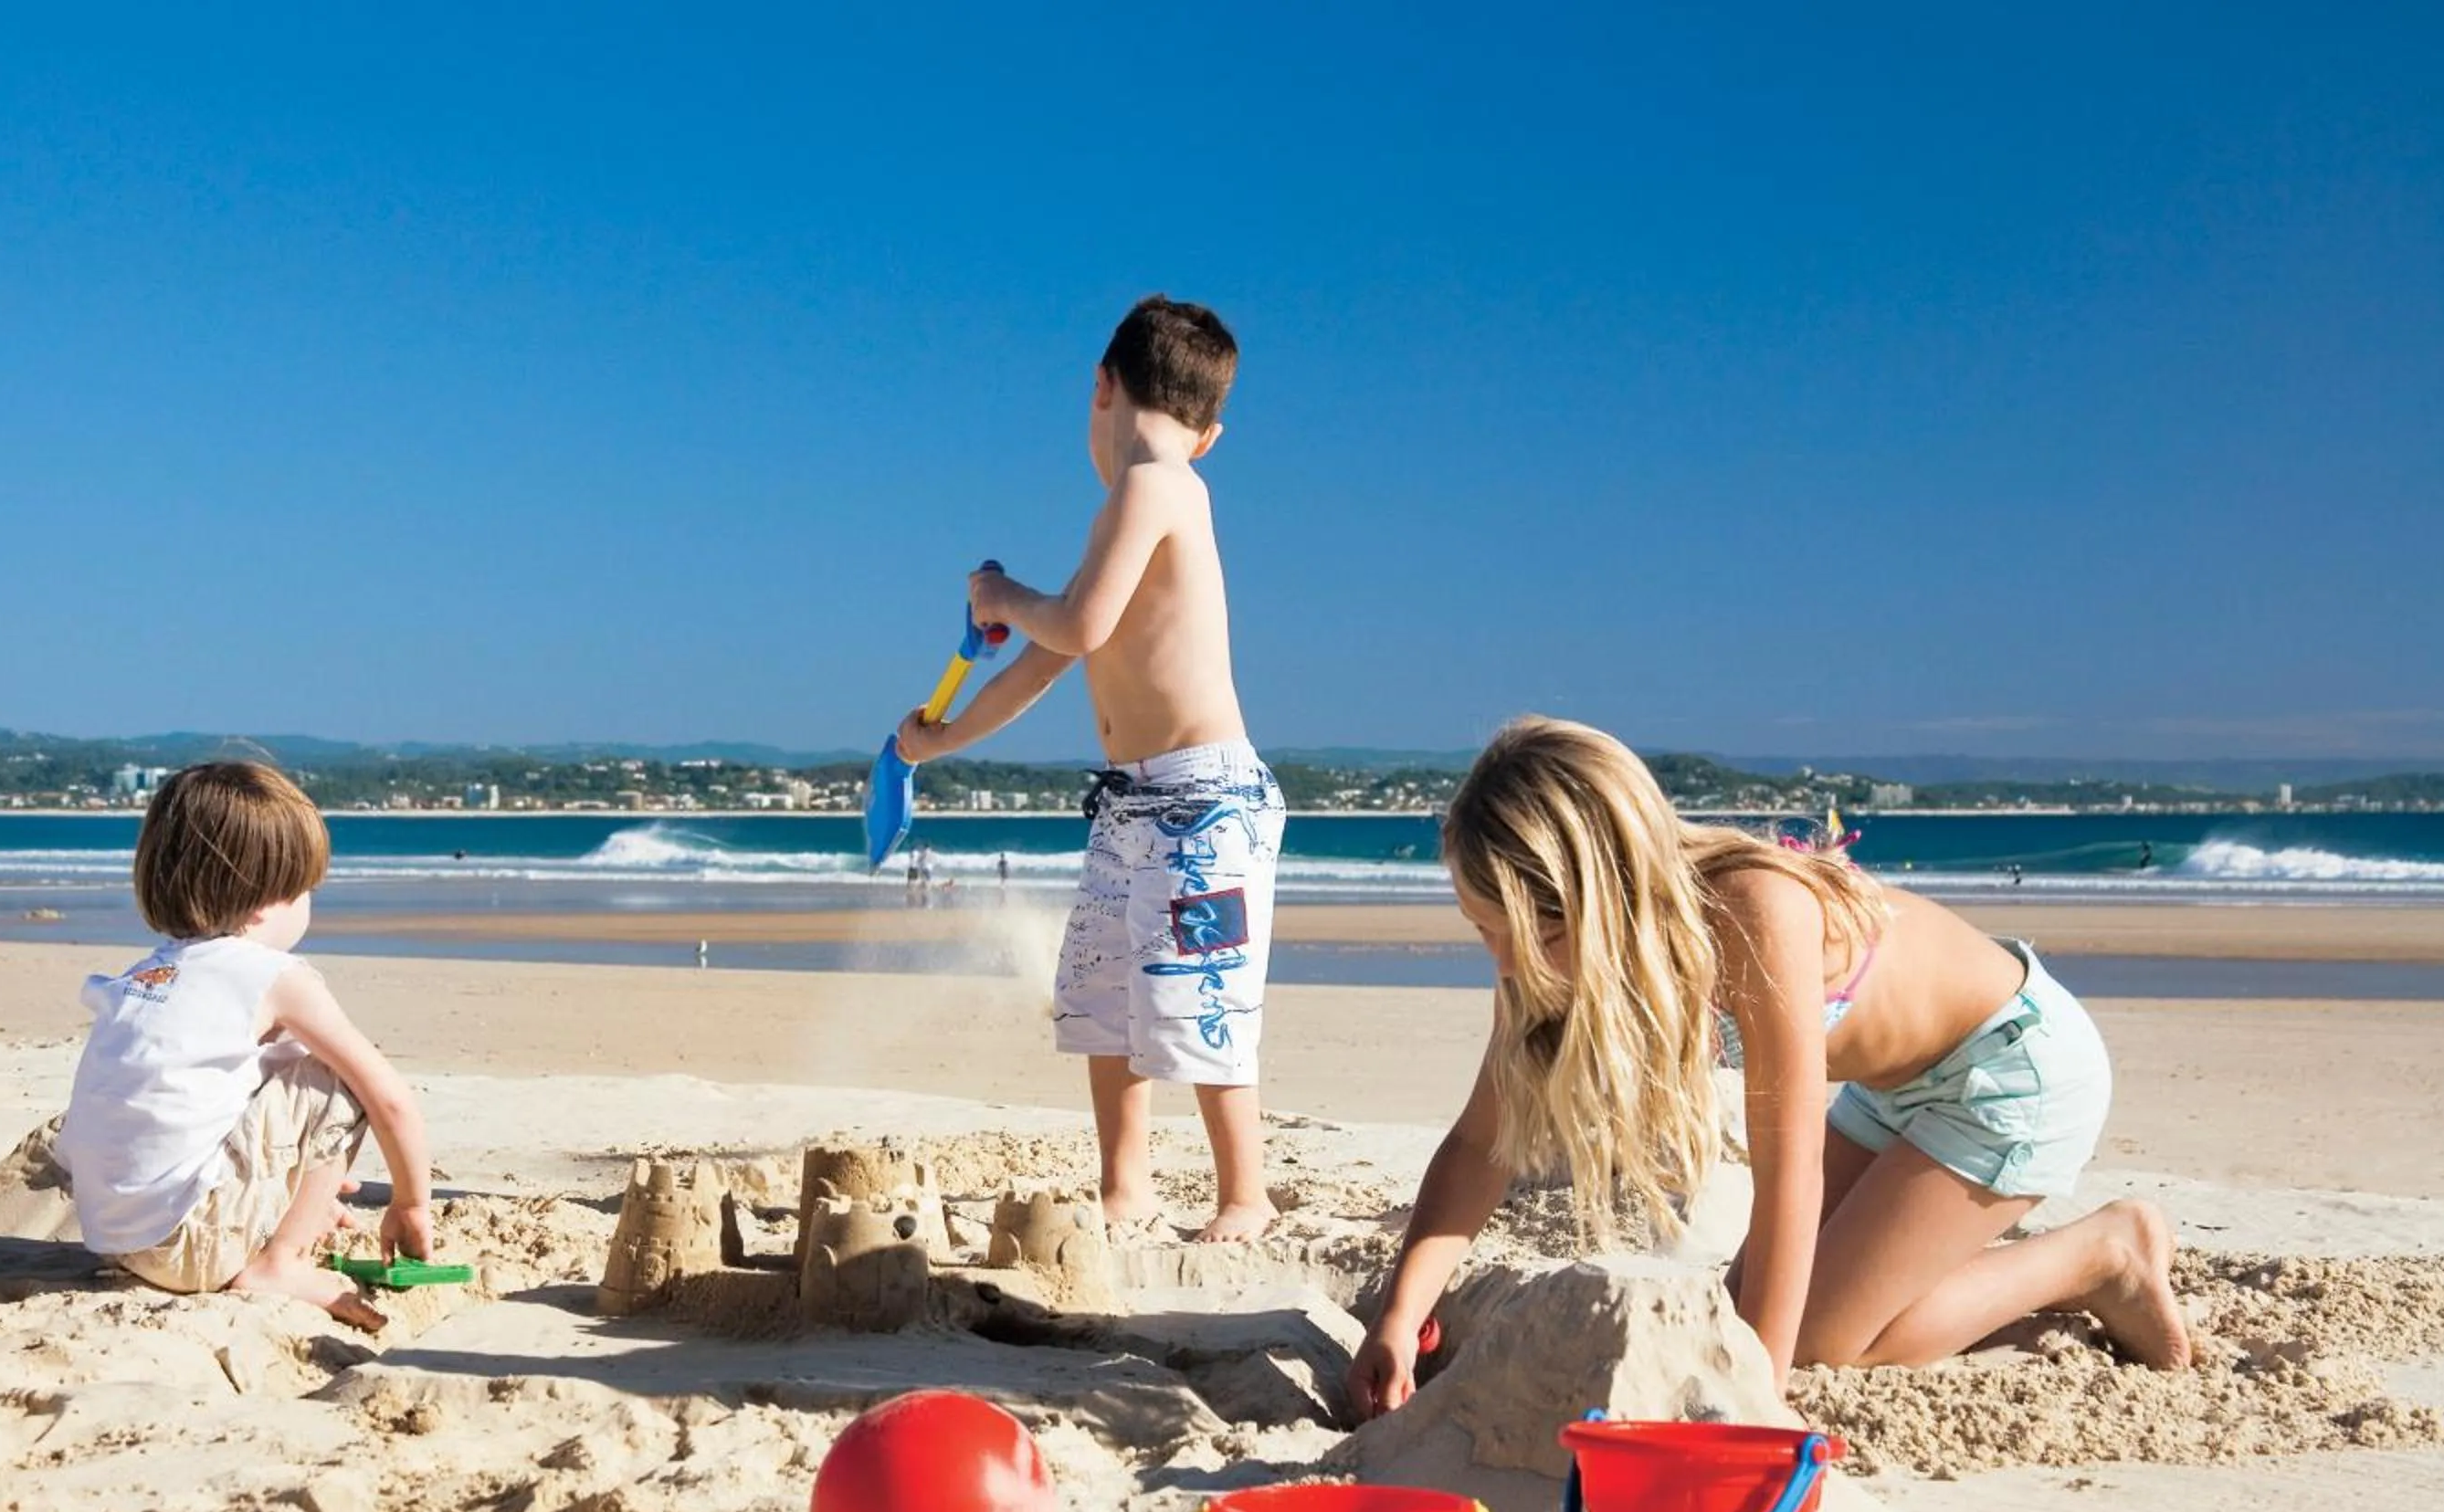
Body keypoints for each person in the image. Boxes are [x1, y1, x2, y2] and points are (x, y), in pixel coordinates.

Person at [1348, 718, 2187, 1413]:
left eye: (1534, 936)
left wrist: (1760, 1398)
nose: (1504, 962)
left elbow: (1791, 1176)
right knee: (1742, 1304)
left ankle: (2101, 1253)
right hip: (1891, 1096)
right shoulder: (1542, 961)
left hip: (2013, 1071)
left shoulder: (1752, 910)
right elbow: (1478, 1146)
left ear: (1609, 894)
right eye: (1483, 930)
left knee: (1819, 1340)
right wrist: (1399, 1313)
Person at [890, 294, 1283, 1242]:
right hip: (1134, 801)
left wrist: (1000, 591)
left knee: (1205, 993)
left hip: (1203, 798)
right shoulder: (1131, 508)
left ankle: (1244, 1193)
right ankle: (1127, 1183)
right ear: (1214, 429)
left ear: (1101, 385)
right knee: (1106, 994)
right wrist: (940, 740)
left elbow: (1070, 626)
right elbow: (1043, 664)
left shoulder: (1158, 486)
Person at [56, 762, 434, 1331]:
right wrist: (411, 1204)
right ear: (265, 902)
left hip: (114, 1239)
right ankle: (279, 1264)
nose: (310, 904)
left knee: (260, 1081)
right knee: (334, 1080)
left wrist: (294, 1190)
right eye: (305, 890)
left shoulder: (150, 975)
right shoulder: (273, 976)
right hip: (189, 1245)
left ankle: (273, 1232)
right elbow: (391, 1101)